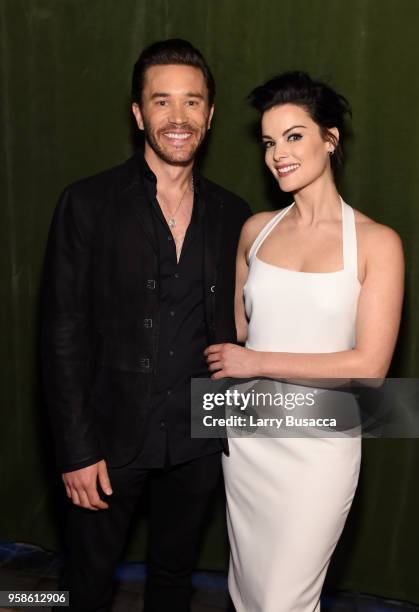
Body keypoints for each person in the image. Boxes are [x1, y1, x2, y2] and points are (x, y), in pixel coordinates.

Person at [41, 39, 250, 612]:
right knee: (87, 583)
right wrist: (76, 450)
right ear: (138, 114)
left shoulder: (235, 214)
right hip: (107, 442)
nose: (177, 118)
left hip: (198, 438)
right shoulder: (87, 203)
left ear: (210, 115)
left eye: (192, 102)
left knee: (174, 578)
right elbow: (62, 334)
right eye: (162, 102)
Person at [204, 71, 404, 611]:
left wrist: (256, 361)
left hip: (320, 448)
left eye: (294, 136)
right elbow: (235, 333)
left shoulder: (378, 243)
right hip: (249, 441)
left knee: (282, 601)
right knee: (248, 595)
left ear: (329, 140)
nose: (278, 154)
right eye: (270, 142)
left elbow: (370, 366)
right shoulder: (256, 229)